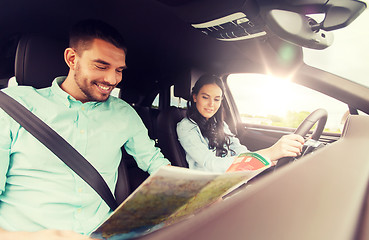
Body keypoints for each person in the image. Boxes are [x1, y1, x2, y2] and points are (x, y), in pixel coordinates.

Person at [0, 19, 170, 239]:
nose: (112, 79)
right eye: (101, 66)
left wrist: (196, 191)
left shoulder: (124, 113)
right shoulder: (13, 106)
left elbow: (154, 161)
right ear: (72, 59)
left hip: (104, 233)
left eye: (119, 70)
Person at [177, 74, 305, 173]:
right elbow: (211, 164)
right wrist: (269, 153)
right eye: (205, 97)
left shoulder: (219, 124)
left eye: (217, 99)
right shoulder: (186, 127)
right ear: (195, 97)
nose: (211, 104)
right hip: (209, 185)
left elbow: (240, 151)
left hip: (232, 177)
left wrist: (263, 160)